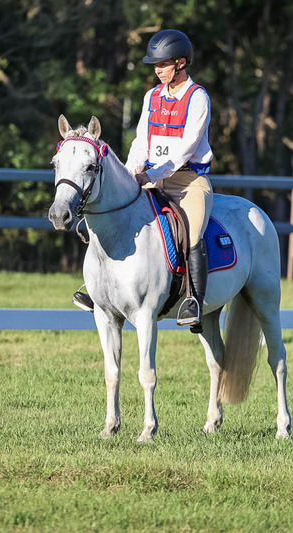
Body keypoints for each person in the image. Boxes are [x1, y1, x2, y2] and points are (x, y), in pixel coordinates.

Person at [73, 29, 213, 330]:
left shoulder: (198, 97)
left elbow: (186, 148)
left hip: (188, 180)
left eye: (162, 64)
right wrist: (128, 172)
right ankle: (97, 289)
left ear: (181, 63)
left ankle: (194, 301)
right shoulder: (152, 96)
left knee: (193, 232)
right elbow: (141, 141)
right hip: (150, 176)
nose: (157, 70)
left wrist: (152, 174)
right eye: (155, 65)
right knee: (113, 217)